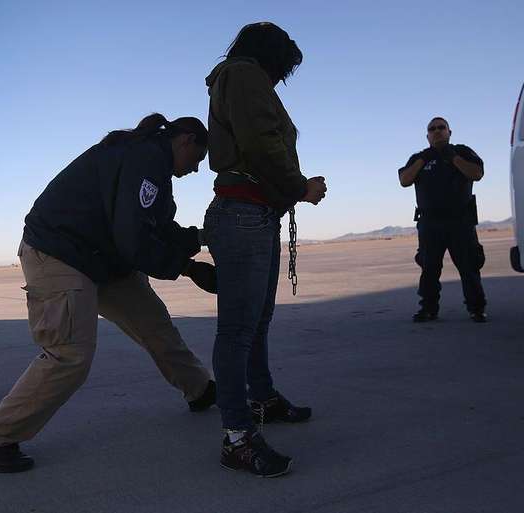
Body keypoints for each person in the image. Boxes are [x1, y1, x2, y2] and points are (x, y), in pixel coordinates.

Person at [0, 114, 218, 473]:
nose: (195, 170)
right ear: (185, 140)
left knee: (155, 325)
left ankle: (200, 389)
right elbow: (134, 238)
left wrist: (199, 238)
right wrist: (190, 268)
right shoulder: (145, 158)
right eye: (197, 159)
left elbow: (154, 227)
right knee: (69, 354)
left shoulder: (152, 168)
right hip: (59, 254)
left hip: (102, 260)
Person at [204, 22, 328, 478]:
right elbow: (259, 143)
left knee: (256, 323)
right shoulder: (244, 74)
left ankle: (262, 399)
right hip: (243, 214)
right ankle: (236, 437)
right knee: (238, 330)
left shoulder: (240, 78)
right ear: (270, 57)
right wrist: (300, 187)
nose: (280, 80)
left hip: (254, 214)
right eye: (282, 70)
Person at [398, 116, 487, 323]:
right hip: (430, 224)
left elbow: (477, 173)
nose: (437, 131)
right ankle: (428, 308)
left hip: (460, 222)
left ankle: (477, 308)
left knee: (469, 266)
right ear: (427, 135)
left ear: (449, 132)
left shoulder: (463, 152)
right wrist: (424, 159)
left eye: (441, 127)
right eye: (432, 129)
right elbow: (404, 180)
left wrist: (452, 157)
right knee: (429, 268)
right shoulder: (420, 158)